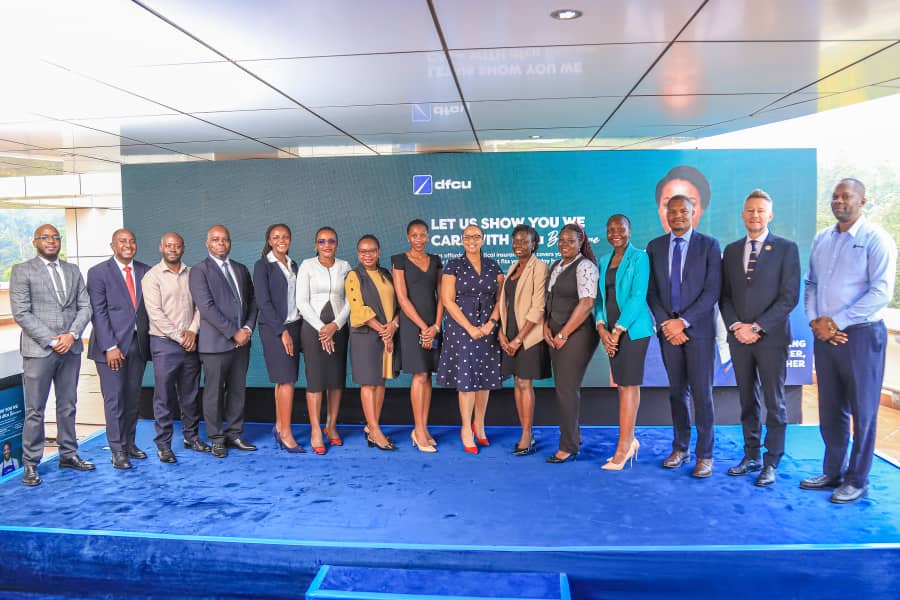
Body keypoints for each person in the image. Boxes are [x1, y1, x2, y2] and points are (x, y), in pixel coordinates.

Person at [801, 178, 897, 504]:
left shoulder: (876, 239)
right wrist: (816, 320)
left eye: (847, 196)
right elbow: (810, 282)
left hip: (860, 336)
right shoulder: (822, 239)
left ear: (862, 200)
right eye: (835, 196)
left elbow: (881, 291)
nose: (839, 201)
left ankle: (857, 479)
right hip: (825, 337)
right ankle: (833, 471)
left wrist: (836, 322)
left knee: (864, 411)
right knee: (831, 409)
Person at [720, 190, 800, 487]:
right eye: (750, 210)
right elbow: (724, 296)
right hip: (739, 337)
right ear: (743, 214)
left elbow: (789, 297)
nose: (755, 215)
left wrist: (757, 327)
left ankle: (772, 460)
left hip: (771, 338)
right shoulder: (730, 250)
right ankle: (751, 454)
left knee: (774, 401)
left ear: (770, 215)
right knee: (746, 399)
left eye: (760, 211)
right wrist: (737, 326)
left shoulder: (786, 249)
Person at [10, 224, 94, 486]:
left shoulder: (72, 270)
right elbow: (21, 312)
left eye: (55, 237)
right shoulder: (23, 271)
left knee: (68, 405)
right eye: (45, 237)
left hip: (71, 347)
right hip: (39, 350)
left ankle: (68, 454)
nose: (51, 241)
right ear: (35, 242)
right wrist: (51, 339)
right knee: (35, 409)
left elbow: (85, 306)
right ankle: (31, 463)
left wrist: (72, 335)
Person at [647, 195, 722, 478]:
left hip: (699, 332)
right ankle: (681, 447)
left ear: (694, 213)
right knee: (677, 393)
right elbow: (652, 291)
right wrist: (667, 323)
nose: (677, 215)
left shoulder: (709, 245)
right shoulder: (655, 247)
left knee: (702, 395)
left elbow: (712, 291)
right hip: (669, 333)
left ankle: (705, 454)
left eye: (683, 211)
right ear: (666, 213)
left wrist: (684, 322)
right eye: (673, 211)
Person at [189, 225, 258, 458]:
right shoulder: (199, 271)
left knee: (238, 390)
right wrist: (233, 332)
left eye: (225, 239)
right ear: (207, 243)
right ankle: (217, 438)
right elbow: (206, 308)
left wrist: (247, 328)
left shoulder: (240, 269)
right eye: (216, 240)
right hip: (215, 345)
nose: (221, 243)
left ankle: (235, 434)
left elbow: (253, 300)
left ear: (230, 243)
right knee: (213, 393)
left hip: (242, 344)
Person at [436, 224, 504, 454]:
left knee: (484, 379)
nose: (472, 240)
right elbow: (447, 300)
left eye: (476, 236)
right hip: (460, 329)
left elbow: (501, 300)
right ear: (462, 240)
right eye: (467, 237)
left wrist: (490, 324)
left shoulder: (494, 265)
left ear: (483, 239)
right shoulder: (453, 265)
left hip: (488, 328)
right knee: (466, 382)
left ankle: (480, 425)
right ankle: (466, 429)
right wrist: (470, 328)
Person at [87, 228, 151, 470]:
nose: (128, 245)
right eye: (122, 241)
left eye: (132, 241)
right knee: (114, 400)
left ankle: (130, 444)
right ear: (112, 245)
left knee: (132, 398)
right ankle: (117, 450)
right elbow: (99, 313)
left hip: (138, 345)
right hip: (110, 347)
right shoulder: (98, 273)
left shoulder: (146, 271)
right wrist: (110, 346)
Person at [595, 215, 653, 471]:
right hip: (609, 332)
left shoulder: (640, 258)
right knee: (621, 386)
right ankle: (630, 440)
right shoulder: (604, 260)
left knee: (628, 385)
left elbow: (637, 296)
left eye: (621, 228)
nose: (616, 232)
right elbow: (599, 300)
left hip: (632, 331)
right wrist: (601, 329)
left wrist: (617, 332)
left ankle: (624, 446)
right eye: (611, 229)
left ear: (630, 231)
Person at [142, 232, 207, 463]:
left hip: (191, 341)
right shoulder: (152, 277)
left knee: (190, 395)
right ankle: (163, 444)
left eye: (177, 245)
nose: (173, 249)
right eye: (168, 245)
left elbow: (201, 306)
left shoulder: (193, 274)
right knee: (164, 396)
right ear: (161, 248)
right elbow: (156, 314)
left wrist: (192, 331)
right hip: (164, 343)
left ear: (183, 248)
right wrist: (181, 337)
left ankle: (191, 437)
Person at [543, 224, 599, 464]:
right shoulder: (556, 265)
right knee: (564, 389)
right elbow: (551, 300)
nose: (565, 244)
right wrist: (546, 326)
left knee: (566, 390)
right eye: (561, 240)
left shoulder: (585, 266)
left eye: (571, 241)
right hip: (555, 333)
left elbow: (586, 304)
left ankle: (568, 446)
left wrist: (563, 333)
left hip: (576, 335)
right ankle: (573, 437)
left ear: (581, 242)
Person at [296, 226, 351, 454]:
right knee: (316, 380)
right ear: (315, 244)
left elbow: (351, 300)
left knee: (336, 379)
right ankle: (316, 430)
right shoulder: (307, 265)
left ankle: (331, 425)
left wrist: (336, 325)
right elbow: (301, 301)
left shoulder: (345, 266)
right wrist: (322, 329)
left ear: (337, 244)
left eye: (331, 241)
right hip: (313, 329)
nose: (327, 245)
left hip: (339, 328)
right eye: (322, 241)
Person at [498, 224, 550, 456]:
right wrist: (502, 333)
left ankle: (527, 435)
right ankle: (524, 430)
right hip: (510, 333)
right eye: (516, 241)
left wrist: (518, 339)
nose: (519, 244)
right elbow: (505, 304)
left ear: (534, 244)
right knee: (517, 383)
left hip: (528, 337)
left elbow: (539, 307)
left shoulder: (540, 268)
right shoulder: (513, 267)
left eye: (524, 241)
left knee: (524, 383)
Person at [392, 219, 443, 453]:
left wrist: (436, 326)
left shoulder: (436, 261)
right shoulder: (399, 261)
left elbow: (442, 296)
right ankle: (419, 429)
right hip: (413, 325)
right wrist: (424, 327)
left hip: (433, 323)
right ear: (408, 237)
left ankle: (423, 428)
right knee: (419, 374)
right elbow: (402, 299)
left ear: (428, 236)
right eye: (414, 235)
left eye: (423, 235)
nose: (419, 239)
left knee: (428, 376)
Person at [253, 224, 304, 453]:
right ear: (269, 241)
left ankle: (279, 426)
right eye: (276, 237)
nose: (281, 240)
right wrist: (281, 331)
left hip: (295, 325)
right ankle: (286, 433)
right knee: (287, 380)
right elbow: (263, 302)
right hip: (275, 329)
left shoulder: (293, 264)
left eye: (285, 236)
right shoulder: (262, 265)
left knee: (283, 380)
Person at [346, 235, 400, 451]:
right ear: (358, 253)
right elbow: (358, 308)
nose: (367, 255)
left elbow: (398, 305)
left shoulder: (386, 274)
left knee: (380, 382)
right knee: (368, 382)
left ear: (378, 252)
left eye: (371, 251)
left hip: (386, 334)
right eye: (362, 251)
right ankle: (376, 431)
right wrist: (383, 330)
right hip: (366, 336)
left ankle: (371, 427)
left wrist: (393, 327)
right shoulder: (353, 276)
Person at [655, 165, 710, 234]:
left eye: (690, 204)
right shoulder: (653, 244)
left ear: (701, 211)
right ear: (659, 210)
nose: (678, 215)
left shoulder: (711, 244)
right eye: (668, 204)